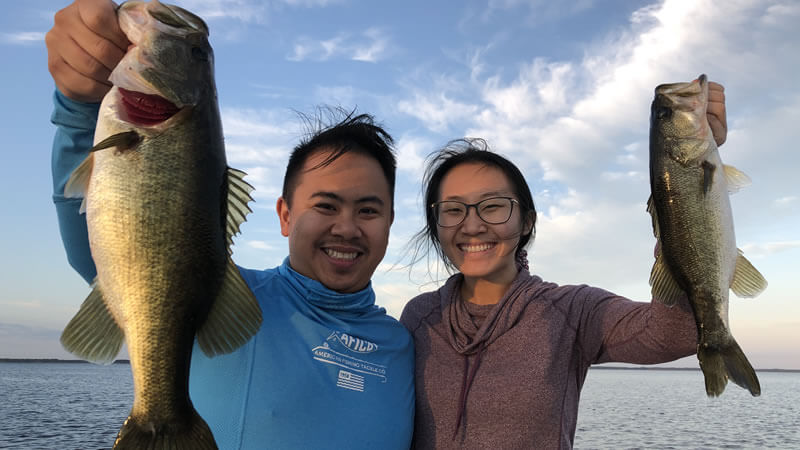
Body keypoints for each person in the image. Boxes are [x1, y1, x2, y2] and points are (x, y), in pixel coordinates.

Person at [46, 0, 413, 448]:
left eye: (369, 211)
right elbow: (97, 239)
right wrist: (77, 106)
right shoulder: (218, 295)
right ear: (285, 215)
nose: (347, 227)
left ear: (390, 223)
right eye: (326, 205)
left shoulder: (404, 345)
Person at [399, 84, 728, 449]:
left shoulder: (572, 311)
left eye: (492, 206)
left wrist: (687, 203)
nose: (472, 224)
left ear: (526, 221)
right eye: (453, 210)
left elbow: (672, 335)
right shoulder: (419, 318)